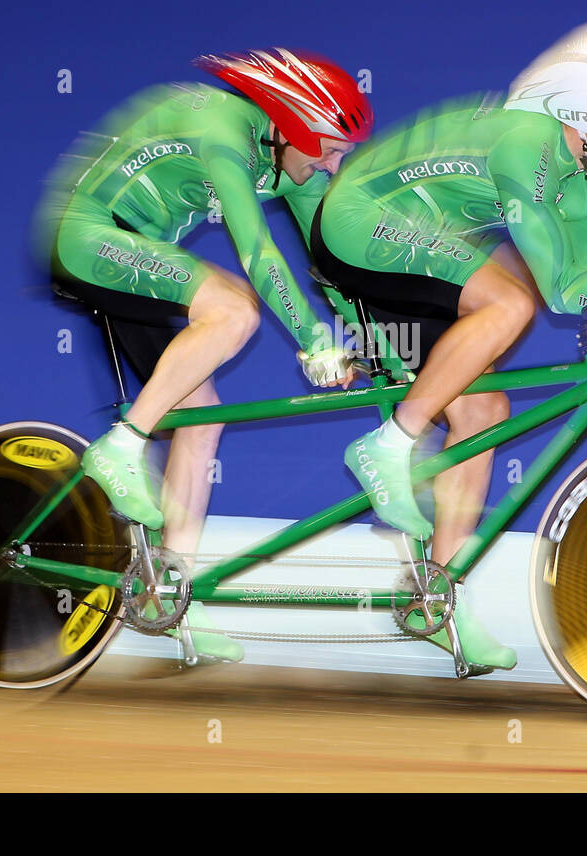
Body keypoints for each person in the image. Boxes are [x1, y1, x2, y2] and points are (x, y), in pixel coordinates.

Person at [311, 16, 587, 670]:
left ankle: (437, 596)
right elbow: (560, 289)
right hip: (357, 224)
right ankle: (388, 445)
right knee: (512, 299)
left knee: (484, 413)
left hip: (422, 246)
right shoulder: (528, 142)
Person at [35, 48, 373, 661]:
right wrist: (313, 344)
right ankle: (122, 446)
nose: (333, 163)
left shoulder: (292, 159)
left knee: (203, 418)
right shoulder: (223, 133)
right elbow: (258, 254)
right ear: (288, 129)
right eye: (326, 148)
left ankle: (168, 598)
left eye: (341, 152)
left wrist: (369, 337)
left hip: (139, 253)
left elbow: (327, 264)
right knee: (234, 309)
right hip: (90, 236)